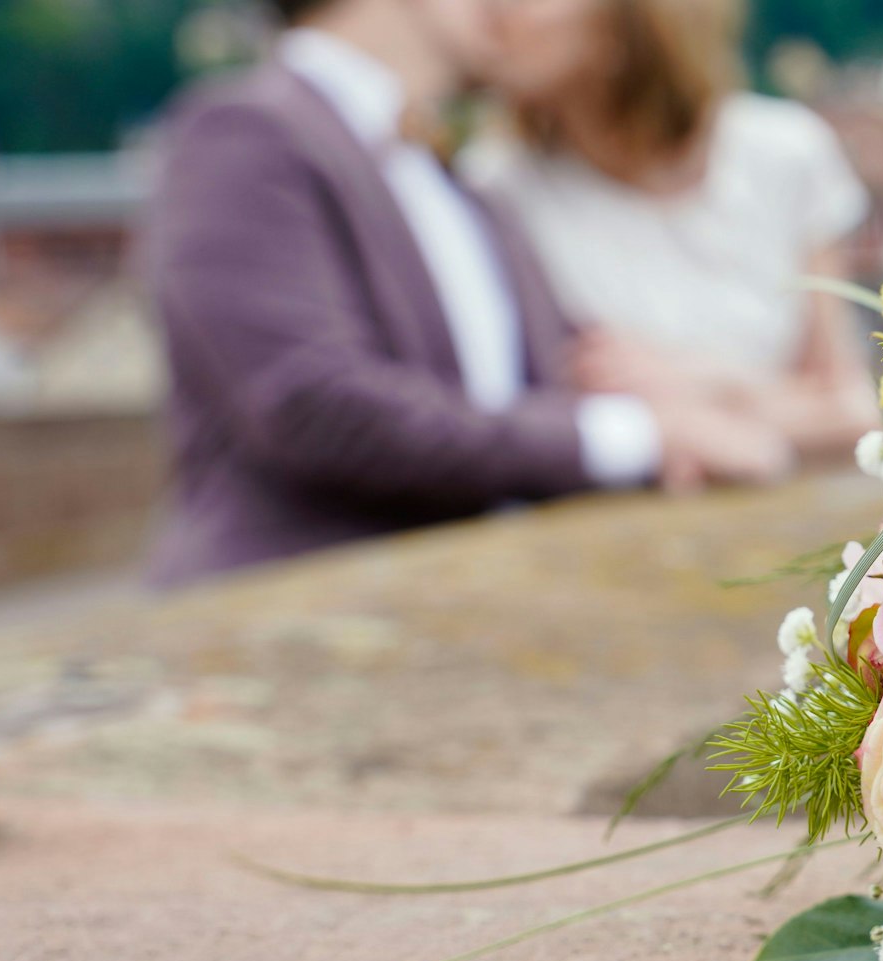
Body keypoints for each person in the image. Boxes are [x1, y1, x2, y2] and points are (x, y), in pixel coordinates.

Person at [141, 0, 787, 587]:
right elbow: (315, 406)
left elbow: (561, 378)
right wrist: (639, 435)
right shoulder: (243, 129)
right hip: (287, 627)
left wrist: (684, 400)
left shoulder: (462, 183)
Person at [465, 0, 877, 458]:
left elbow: (854, 411)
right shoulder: (494, 187)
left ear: (625, 24)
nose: (495, 9)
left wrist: (712, 386)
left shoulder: (785, 154)